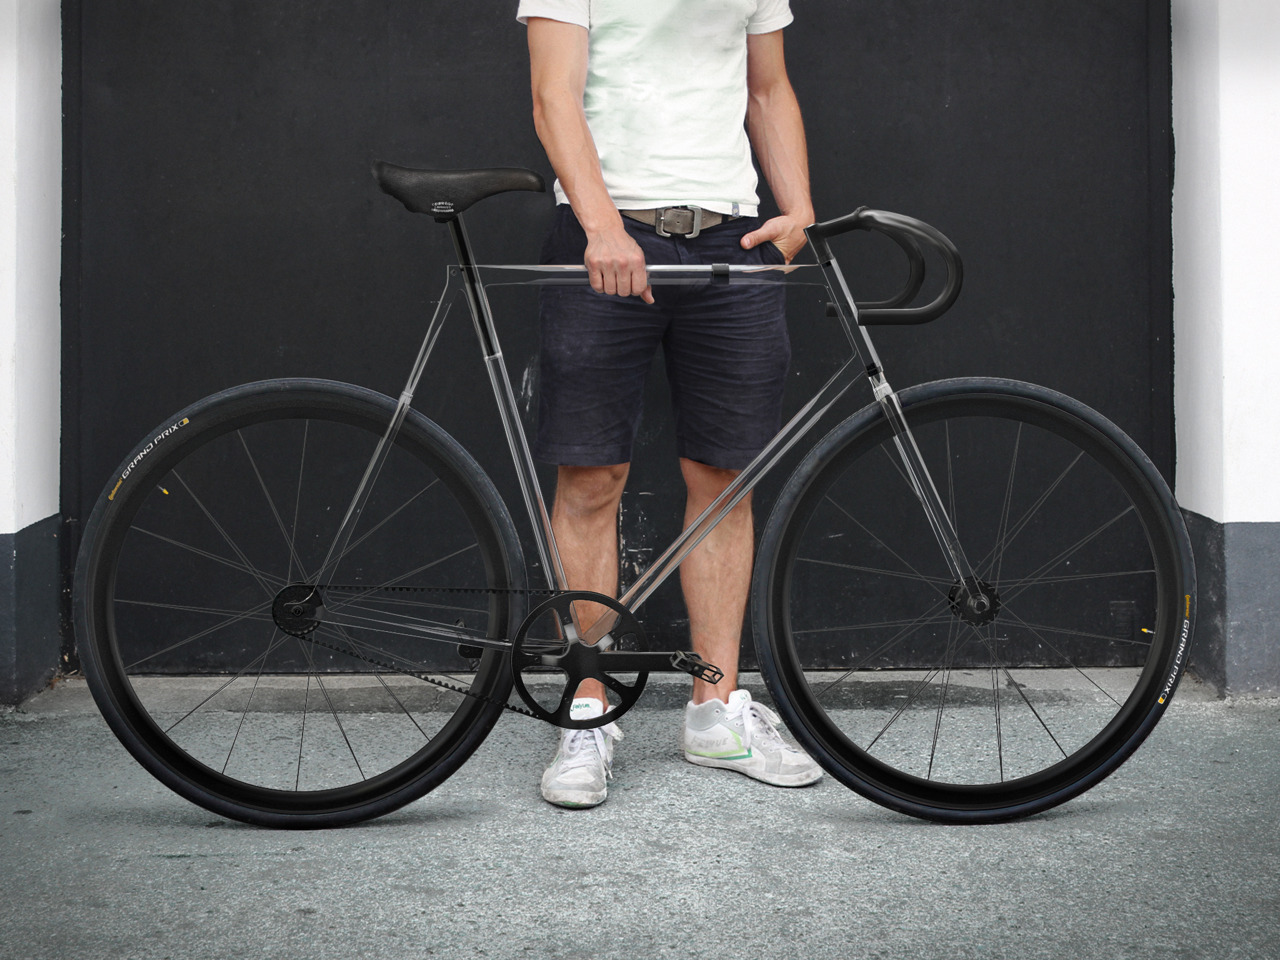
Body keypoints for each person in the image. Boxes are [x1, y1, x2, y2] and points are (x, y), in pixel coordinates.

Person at [518, 0, 822, 808]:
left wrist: (797, 208)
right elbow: (553, 96)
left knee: (724, 479)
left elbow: (767, 87)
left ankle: (714, 711)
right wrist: (601, 224)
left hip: (731, 239)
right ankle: (587, 708)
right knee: (591, 477)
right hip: (604, 232)